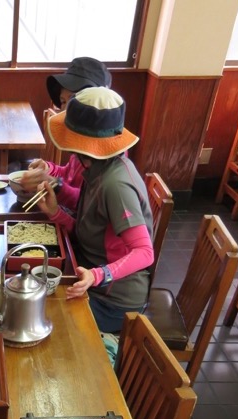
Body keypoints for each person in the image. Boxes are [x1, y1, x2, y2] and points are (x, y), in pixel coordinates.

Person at [35, 87, 154, 334]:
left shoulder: (116, 184)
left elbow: (144, 252)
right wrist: (56, 211)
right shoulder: (98, 168)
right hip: (88, 273)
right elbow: (91, 222)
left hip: (113, 300)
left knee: (44, 321)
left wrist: (97, 275)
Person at [20, 57, 112, 211]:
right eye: (63, 101)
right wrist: (47, 168)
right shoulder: (82, 139)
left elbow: (86, 205)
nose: (65, 110)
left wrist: (54, 184)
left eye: (74, 99)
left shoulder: (108, 154)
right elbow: (68, 173)